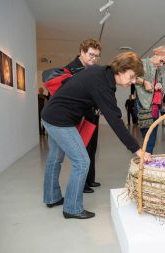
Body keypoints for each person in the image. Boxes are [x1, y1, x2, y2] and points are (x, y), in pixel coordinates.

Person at [41, 51, 151, 219]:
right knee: (82, 161)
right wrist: (137, 149)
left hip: (50, 115)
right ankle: (72, 208)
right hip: (60, 120)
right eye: (132, 76)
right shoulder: (102, 84)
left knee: (55, 158)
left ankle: (52, 197)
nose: (133, 81)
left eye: (136, 78)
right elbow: (115, 121)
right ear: (121, 70)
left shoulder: (99, 72)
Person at [64, 38, 102, 193]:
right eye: (91, 55)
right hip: (80, 116)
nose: (94, 58)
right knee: (83, 150)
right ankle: (84, 184)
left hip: (93, 114)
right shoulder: (70, 69)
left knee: (92, 148)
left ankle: (90, 179)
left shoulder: (92, 69)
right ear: (81, 52)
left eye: (97, 56)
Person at [134, 45, 165, 154]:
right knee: (147, 135)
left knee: (152, 135)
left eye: (164, 63)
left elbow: (159, 85)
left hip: (155, 105)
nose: (161, 64)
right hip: (143, 104)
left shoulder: (158, 70)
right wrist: (144, 82)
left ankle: (146, 158)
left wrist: (159, 85)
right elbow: (131, 77)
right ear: (156, 55)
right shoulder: (141, 63)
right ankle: (145, 159)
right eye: (161, 61)